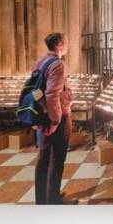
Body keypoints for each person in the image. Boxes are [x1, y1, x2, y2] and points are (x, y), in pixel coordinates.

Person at [34, 32, 75, 205]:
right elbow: (52, 95)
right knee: (57, 159)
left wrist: (43, 113)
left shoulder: (40, 62)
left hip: (43, 117)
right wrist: (55, 121)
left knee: (43, 159)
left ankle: (42, 200)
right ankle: (54, 200)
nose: (67, 46)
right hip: (57, 118)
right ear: (59, 44)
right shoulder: (58, 64)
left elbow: (36, 92)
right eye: (66, 42)